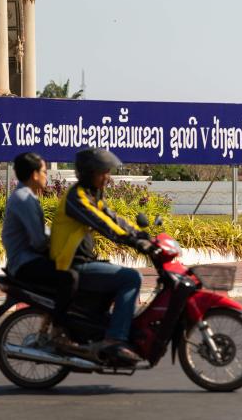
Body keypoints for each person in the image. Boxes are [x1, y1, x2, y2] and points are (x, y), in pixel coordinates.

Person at [49, 148, 153, 363]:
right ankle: (115, 339)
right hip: (71, 265)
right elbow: (103, 224)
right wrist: (132, 240)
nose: (107, 177)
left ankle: (105, 329)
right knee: (131, 278)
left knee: (118, 275)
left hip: (84, 261)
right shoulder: (77, 198)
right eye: (102, 172)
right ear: (89, 173)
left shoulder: (91, 194)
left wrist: (142, 235)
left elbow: (114, 218)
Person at [1, 152, 79, 329]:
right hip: (25, 263)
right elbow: (39, 242)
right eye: (44, 171)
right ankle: (62, 329)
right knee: (72, 277)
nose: (47, 175)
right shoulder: (24, 199)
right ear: (34, 175)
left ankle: (52, 322)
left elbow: (43, 233)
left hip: (29, 259)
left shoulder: (27, 196)